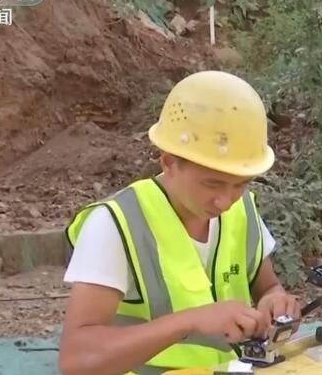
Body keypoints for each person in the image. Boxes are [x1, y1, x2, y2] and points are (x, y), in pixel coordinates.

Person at [58, 71, 301, 375]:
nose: (225, 201)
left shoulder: (241, 212)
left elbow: (268, 287)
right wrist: (190, 320)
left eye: (240, 184)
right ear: (169, 162)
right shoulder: (115, 224)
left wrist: (275, 301)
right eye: (212, 184)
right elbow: (76, 359)